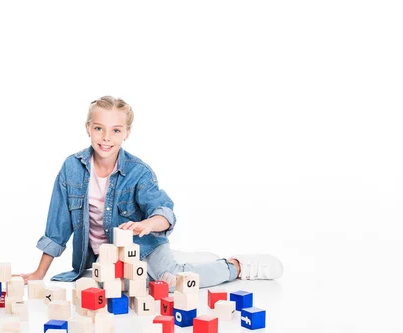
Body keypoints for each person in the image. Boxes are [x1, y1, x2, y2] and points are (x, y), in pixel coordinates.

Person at [21, 96, 283, 290]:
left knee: (170, 281)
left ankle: (234, 266)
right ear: (88, 128)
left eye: (116, 130)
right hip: (106, 256)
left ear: (127, 133)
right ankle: (177, 260)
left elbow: (164, 213)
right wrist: (38, 273)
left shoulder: (138, 172)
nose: (106, 137)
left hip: (144, 247)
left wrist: (146, 224)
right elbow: (57, 227)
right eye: (99, 128)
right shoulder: (71, 168)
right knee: (106, 286)